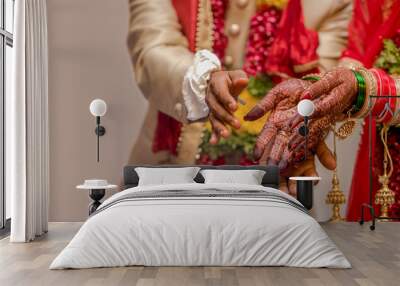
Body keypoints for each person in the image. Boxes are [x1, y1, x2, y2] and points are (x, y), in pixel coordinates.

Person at [127, 0, 352, 198]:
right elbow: (151, 48)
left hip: (275, 181)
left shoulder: (330, 3)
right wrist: (202, 81)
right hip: (169, 168)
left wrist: (301, 125)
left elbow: (323, 82)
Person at [247, 0, 400, 220]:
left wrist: (360, 88)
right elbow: (355, 58)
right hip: (384, 149)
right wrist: (312, 98)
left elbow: (357, 80)